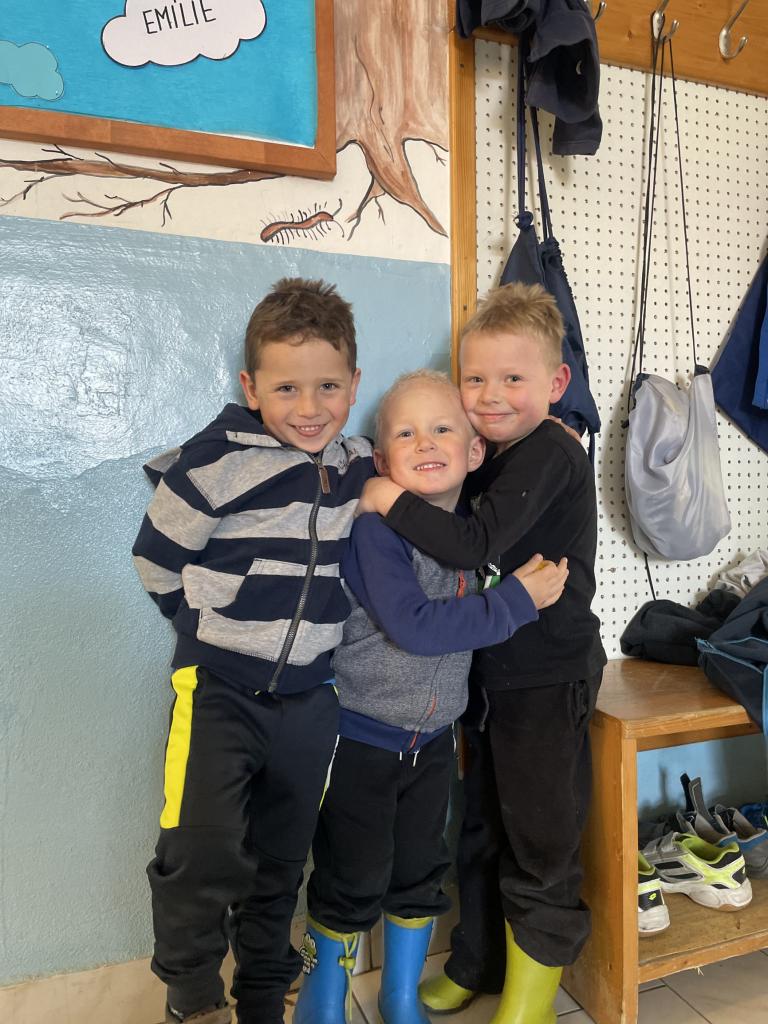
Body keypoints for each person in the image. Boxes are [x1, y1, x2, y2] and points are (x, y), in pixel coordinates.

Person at [358, 284, 606, 1024]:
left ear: (557, 383)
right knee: (481, 829)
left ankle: (530, 1002)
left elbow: (471, 544)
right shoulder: (490, 456)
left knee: (540, 838)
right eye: (475, 379)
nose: (491, 395)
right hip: (490, 676)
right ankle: (476, 963)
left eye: (512, 378)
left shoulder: (551, 452)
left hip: (546, 678)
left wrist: (385, 496)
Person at [132, 278, 375, 1024]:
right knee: (200, 851)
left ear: (353, 383)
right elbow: (155, 560)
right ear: (251, 387)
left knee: (280, 862)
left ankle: (263, 998)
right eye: (286, 388)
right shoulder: (216, 462)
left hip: (310, 700)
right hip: (218, 691)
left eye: (328, 386)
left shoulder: (359, 464)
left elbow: (437, 456)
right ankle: (193, 998)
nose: (309, 407)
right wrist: (207, 626)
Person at [293, 370, 569, 1024]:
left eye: (443, 429)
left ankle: (398, 996)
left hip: (433, 743)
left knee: (420, 870)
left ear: (474, 453)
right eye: (406, 434)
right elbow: (415, 627)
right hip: (361, 740)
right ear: (382, 463)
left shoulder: (474, 535)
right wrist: (515, 602)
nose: (425, 442)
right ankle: (322, 1002)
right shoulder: (376, 535)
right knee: (350, 874)